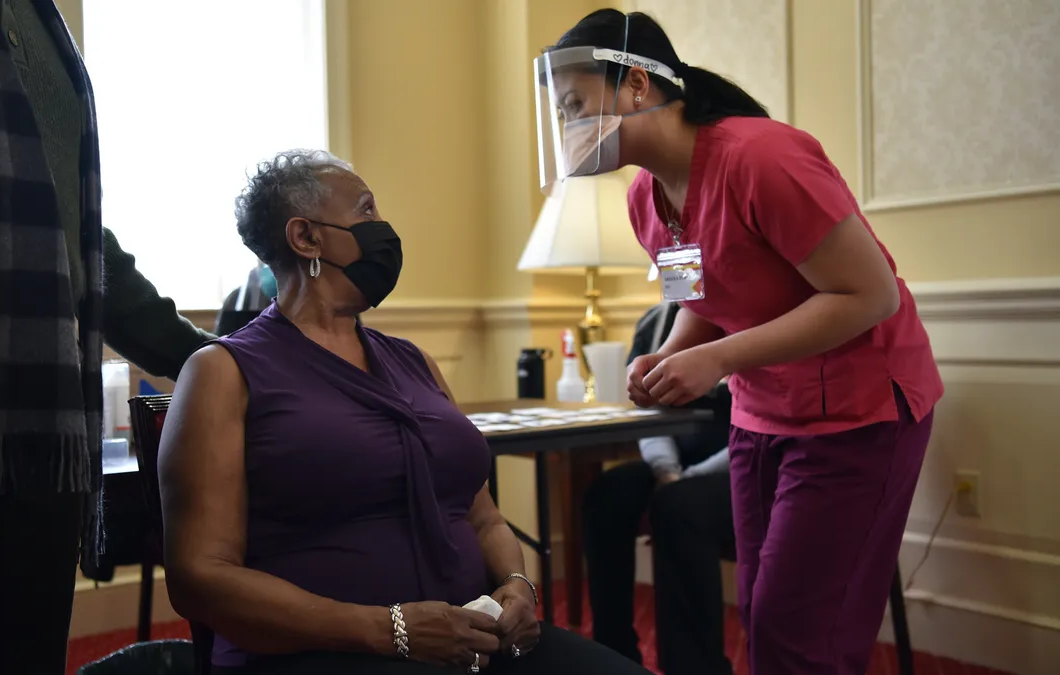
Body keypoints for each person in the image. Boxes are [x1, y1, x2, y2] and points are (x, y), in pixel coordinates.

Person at [536, 9, 944, 675]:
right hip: (762, 415)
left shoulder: (763, 158)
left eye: (577, 105)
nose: (568, 128)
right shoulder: (647, 198)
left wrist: (716, 359)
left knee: (798, 632)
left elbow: (871, 297)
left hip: (860, 409)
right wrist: (666, 354)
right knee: (761, 616)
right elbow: (700, 298)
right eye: (561, 113)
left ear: (636, 84)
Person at [158, 150, 652, 675]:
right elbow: (200, 576)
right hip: (324, 652)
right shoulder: (222, 371)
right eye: (367, 212)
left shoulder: (415, 362)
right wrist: (389, 629)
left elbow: (481, 515)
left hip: (472, 641)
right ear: (306, 238)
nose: (385, 230)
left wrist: (516, 586)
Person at [0, 2, 212, 674]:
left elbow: (73, 239)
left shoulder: (42, 24)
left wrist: (223, 357)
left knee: (24, 651)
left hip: (41, 418)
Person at [583, 303, 735, 675]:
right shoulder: (655, 321)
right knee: (607, 495)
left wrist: (685, 480)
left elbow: (758, 424)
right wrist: (668, 472)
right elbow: (649, 415)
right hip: (672, 462)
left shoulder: (752, 309)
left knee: (679, 506)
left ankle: (696, 666)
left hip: (745, 460)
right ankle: (614, 653)